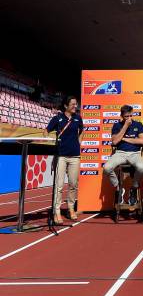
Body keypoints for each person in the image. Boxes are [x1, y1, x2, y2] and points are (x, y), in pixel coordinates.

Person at [45, 95, 83, 225]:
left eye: (76, 104)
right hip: (61, 155)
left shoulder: (78, 118)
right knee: (59, 185)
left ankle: (71, 208)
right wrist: (52, 142)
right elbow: (46, 131)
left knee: (73, 184)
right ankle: (56, 211)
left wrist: (79, 142)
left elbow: (81, 131)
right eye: (73, 104)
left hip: (75, 156)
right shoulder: (57, 118)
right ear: (66, 106)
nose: (75, 106)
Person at [103, 104, 143, 203]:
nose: (129, 118)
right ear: (122, 116)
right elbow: (115, 142)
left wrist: (125, 138)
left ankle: (134, 187)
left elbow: (141, 141)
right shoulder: (117, 125)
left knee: (141, 167)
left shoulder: (138, 124)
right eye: (127, 116)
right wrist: (125, 126)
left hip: (135, 153)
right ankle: (118, 188)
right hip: (120, 153)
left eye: (131, 116)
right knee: (107, 168)